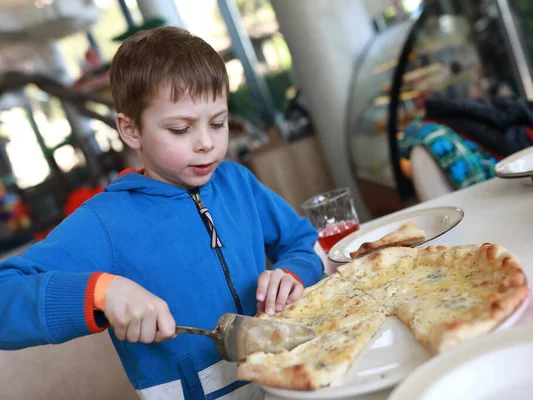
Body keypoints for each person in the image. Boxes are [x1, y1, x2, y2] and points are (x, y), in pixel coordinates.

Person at [0, 26, 323, 400]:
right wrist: (103, 291)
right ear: (130, 130)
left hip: (289, 379)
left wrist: (293, 272)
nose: (206, 143)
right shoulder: (104, 222)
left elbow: (302, 242)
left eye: (217, 122)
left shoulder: (238, 182)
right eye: (180, 128)